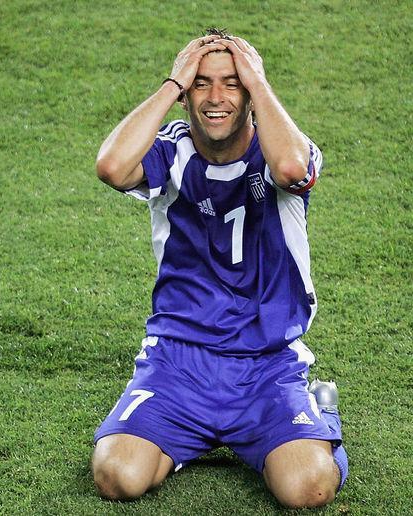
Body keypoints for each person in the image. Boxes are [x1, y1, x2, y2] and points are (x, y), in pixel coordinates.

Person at [91, 28, 348, 509]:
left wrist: (258, 80)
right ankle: (192, 437)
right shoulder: (170, 151)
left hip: (266, 364)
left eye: (231, 83)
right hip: (178, 361)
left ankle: (321, 410)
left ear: (250, 91)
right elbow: (111, 167)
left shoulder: (282, 148)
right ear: (186, 93)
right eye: (201, 83)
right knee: (116, 476)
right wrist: (171, 84)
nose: (215, 98)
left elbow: (293, 170)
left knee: (308, 490)